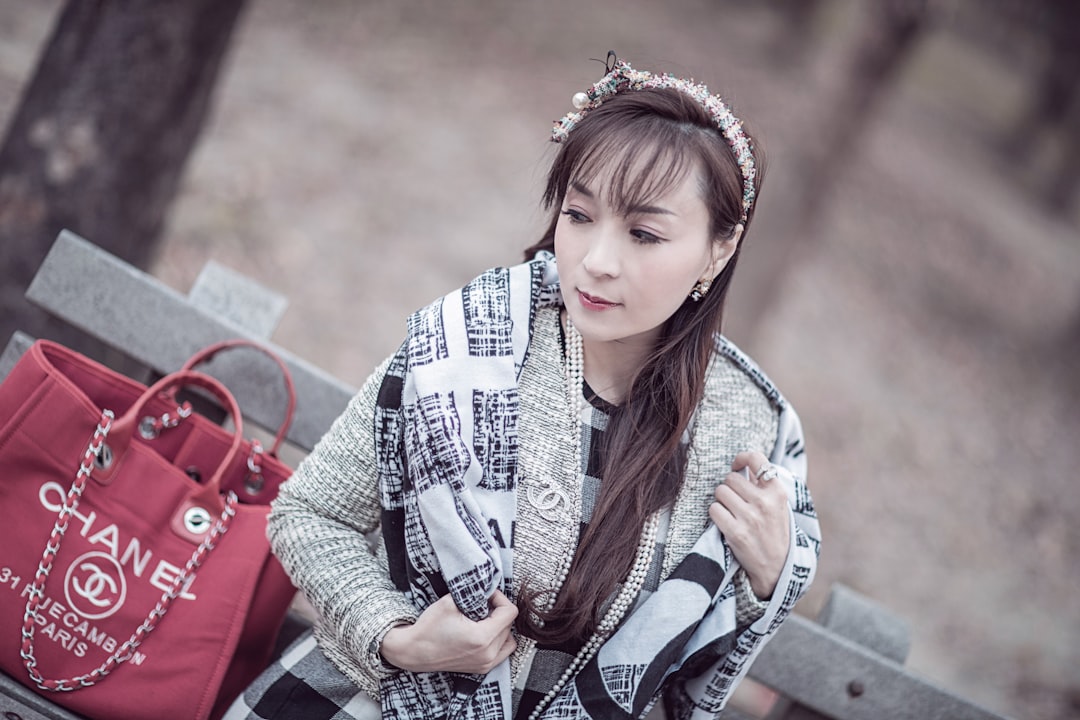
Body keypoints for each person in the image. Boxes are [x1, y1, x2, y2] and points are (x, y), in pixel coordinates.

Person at [226, 53, 820, 720]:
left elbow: (687, 673)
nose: (596, 261)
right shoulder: (471, 345)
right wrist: (399, 638)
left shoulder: (745, 426)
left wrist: (766, 579)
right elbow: (312, 514)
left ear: (719, 247)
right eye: (578, 215)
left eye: (644, 233)